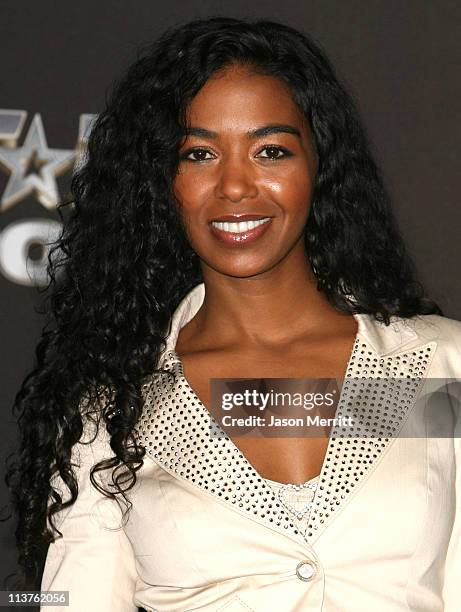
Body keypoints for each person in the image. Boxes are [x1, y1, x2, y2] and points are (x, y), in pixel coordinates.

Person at [3, 16, 460, 612]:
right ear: (162, 181)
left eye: (271, 150)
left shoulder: (438, 364)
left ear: (319, 165)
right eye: (199, 154)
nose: (236, 186)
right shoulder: (113, 408)